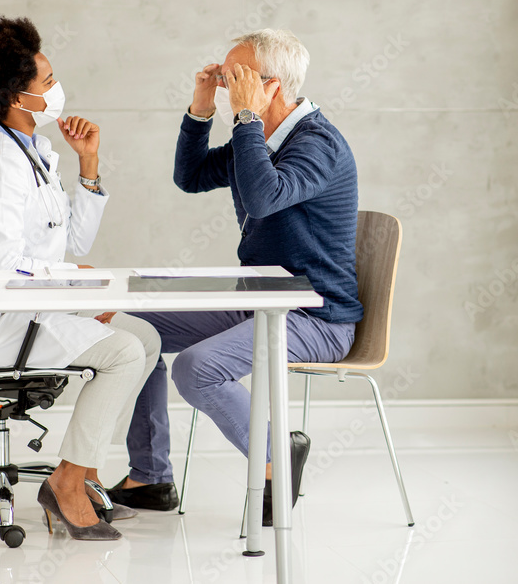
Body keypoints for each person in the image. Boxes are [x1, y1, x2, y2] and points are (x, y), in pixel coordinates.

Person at [101, 29, 363, 525]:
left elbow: (265, 196)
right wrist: (202, 108)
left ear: (272, 87)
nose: (226, 88)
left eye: (235, 78)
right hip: (261, 299)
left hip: (316, 314)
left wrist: (244, 118)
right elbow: (192, 176)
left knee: (196, 368)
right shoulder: (262, 137)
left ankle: (274, 458)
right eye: (224, 79)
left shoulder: (317, 144)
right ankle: (150, 477)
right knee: (133, 330)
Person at [0, 16, 160, 541]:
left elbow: (73, 244)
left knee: (144, 338)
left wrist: (89, 166)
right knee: (123, 352)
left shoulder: (30, 151)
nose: (57, 90)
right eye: (47, 82)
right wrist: (69, 283)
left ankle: (87, 469)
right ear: (18, 96)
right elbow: (1, 264)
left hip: (26, 302)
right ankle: (66, 485)